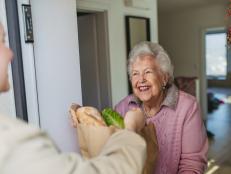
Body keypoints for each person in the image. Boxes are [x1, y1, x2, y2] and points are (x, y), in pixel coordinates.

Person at [0, 22, 147, 174]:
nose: (10, 54)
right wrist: (130, 128)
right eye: (2, 42)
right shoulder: (11, 141)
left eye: (148, 72)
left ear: (164, 77)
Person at [115, 41, 208, 174]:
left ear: (164, 78)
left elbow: (192, 165)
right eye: (135, 74)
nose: (141, 80)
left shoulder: (187, 107)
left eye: (147, 72)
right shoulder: (123, 107)